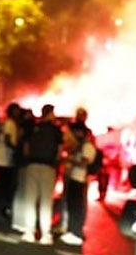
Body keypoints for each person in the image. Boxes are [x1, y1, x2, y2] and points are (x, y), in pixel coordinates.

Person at [20, 105, 63, 244]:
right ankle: (46, 234)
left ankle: (29, 232)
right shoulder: (56, 130)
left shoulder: (33, 127)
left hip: (32, 165)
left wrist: (27, 159)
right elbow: (59, 150)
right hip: (48, 167)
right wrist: (56, 164)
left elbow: (26, 146)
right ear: (51, 113)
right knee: (46, 202)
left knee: (30, 200)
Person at [61, 110, 96, 246]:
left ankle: (76, 232)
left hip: (79, 179)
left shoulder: (87, 146)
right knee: (72, 205)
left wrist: (71, 162)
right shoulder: (80, 146)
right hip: (74, 178)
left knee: (77, 206)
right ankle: (71, 230)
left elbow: (85, 162)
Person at [0, 103, 20, 228]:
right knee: (0, 188)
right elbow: (7, 140)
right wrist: (17, 149)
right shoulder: (10, 124)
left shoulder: (7, 123)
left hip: (2, 159)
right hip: (4, 160)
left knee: (0, 188)